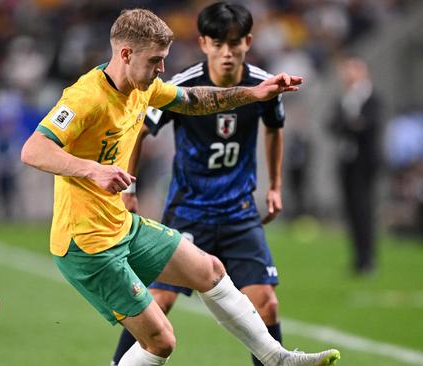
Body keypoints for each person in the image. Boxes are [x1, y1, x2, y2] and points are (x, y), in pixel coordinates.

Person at [21, 8, 340, 366]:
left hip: (121, 227)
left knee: (211, 271)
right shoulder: (85, 98)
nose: (161, 69)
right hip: (86, 245)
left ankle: (274, 358)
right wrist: (91, 170)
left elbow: (193, 100)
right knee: (161, 342)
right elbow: (33, 150)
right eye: (155, 60)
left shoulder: (144, 87)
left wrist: (253, 94)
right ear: (125, 54)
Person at [111, 3, 290, 365]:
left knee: (266, 304)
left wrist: (274, 186)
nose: (227, 53)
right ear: (204, 43)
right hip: (189, 212)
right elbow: (138, 131)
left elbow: (274, 128)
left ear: (248, 42)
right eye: (218, 44)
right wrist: (129, 189)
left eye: (235, 43)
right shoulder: (182, 85)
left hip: (239, 211)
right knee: (157, 303)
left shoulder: (263, 84)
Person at [328, 56, 381, 276]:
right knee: (352, 210)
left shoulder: (370, 98)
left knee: (363, 209)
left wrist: (350, 125)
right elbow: (332, 124)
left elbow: (368, 125)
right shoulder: (345, 99)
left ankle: (368, 259)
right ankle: (358, 258)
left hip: (364, 162)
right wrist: (352, 125)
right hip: (347, 161)